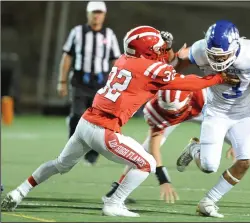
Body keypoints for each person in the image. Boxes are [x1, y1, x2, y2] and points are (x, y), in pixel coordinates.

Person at [1, 25, 238, 217]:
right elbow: (185, 82)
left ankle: (19, 191)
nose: (160, 50)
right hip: (105, 130)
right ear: (148, 50)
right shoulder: (153, 68)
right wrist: (217, 78)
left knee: (60, 164)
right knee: (146, 163)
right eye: (157, 47)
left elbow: (155, 64)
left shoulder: (124, 59)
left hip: (86, 122)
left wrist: (166, 48)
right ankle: (113, 203)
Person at [175, 20, 250, 218]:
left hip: (243, 114)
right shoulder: (200, 49)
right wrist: (174, 61)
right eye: (214, 56)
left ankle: (208, 202)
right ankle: (194, 149)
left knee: (246, 160)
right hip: (216, 112)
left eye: (223, 55)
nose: (218, 60)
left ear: (235, 47)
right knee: (209, 166)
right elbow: (176, 66)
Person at [103, 87, 250, 204]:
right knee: (144, 151)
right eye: (169, 110)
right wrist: (164, 179)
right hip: (180, 113)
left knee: (242, 144)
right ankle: (117, 187)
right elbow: (154, 147)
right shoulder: (158, 110)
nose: (174, 113)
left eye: (176, 109)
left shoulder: (202, 95)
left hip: (205, 113)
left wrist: (234, 136)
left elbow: (227, 118)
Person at [57, 1, 121, 165]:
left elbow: (116, 60)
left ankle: (93, 154)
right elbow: (67, 57)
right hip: (80, 80)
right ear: (88, 14)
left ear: (104, 15)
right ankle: (72, 150)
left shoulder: (109, 34)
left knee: (99, 120)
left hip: (101, 83)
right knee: (77, 116)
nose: (96, 16)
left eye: (99, 12)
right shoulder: (77, 32)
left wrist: (117, 85)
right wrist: (62, 81)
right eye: (94, 12)